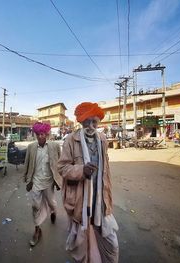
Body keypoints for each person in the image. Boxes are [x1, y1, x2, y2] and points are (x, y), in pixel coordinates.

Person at [58, 102, 119, 263]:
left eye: (94, 122)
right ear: (81, 122)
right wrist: (81, 171)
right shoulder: (71, 140)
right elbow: (62, 168)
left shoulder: (103, 139)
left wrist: (107, 193)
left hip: (101, 200)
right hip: (79, 200)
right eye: (87, 122)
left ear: (98, 122)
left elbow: (106, 170)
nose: (91, 126)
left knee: (112, 245)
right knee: (81, 246)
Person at [23, 122, 62, 246]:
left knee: (52, 203)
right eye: (38, 134)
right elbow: (27, 163)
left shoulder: (55, 146)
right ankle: (37, 230)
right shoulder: (31, 147)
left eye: (43, 134)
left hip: (49, 181)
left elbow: (60, 164)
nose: (40, 136)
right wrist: (27, 180)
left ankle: (53, 211)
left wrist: (58, 179)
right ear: (35, 134)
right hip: (36, 181)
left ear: (47, 134)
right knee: (35, 205)